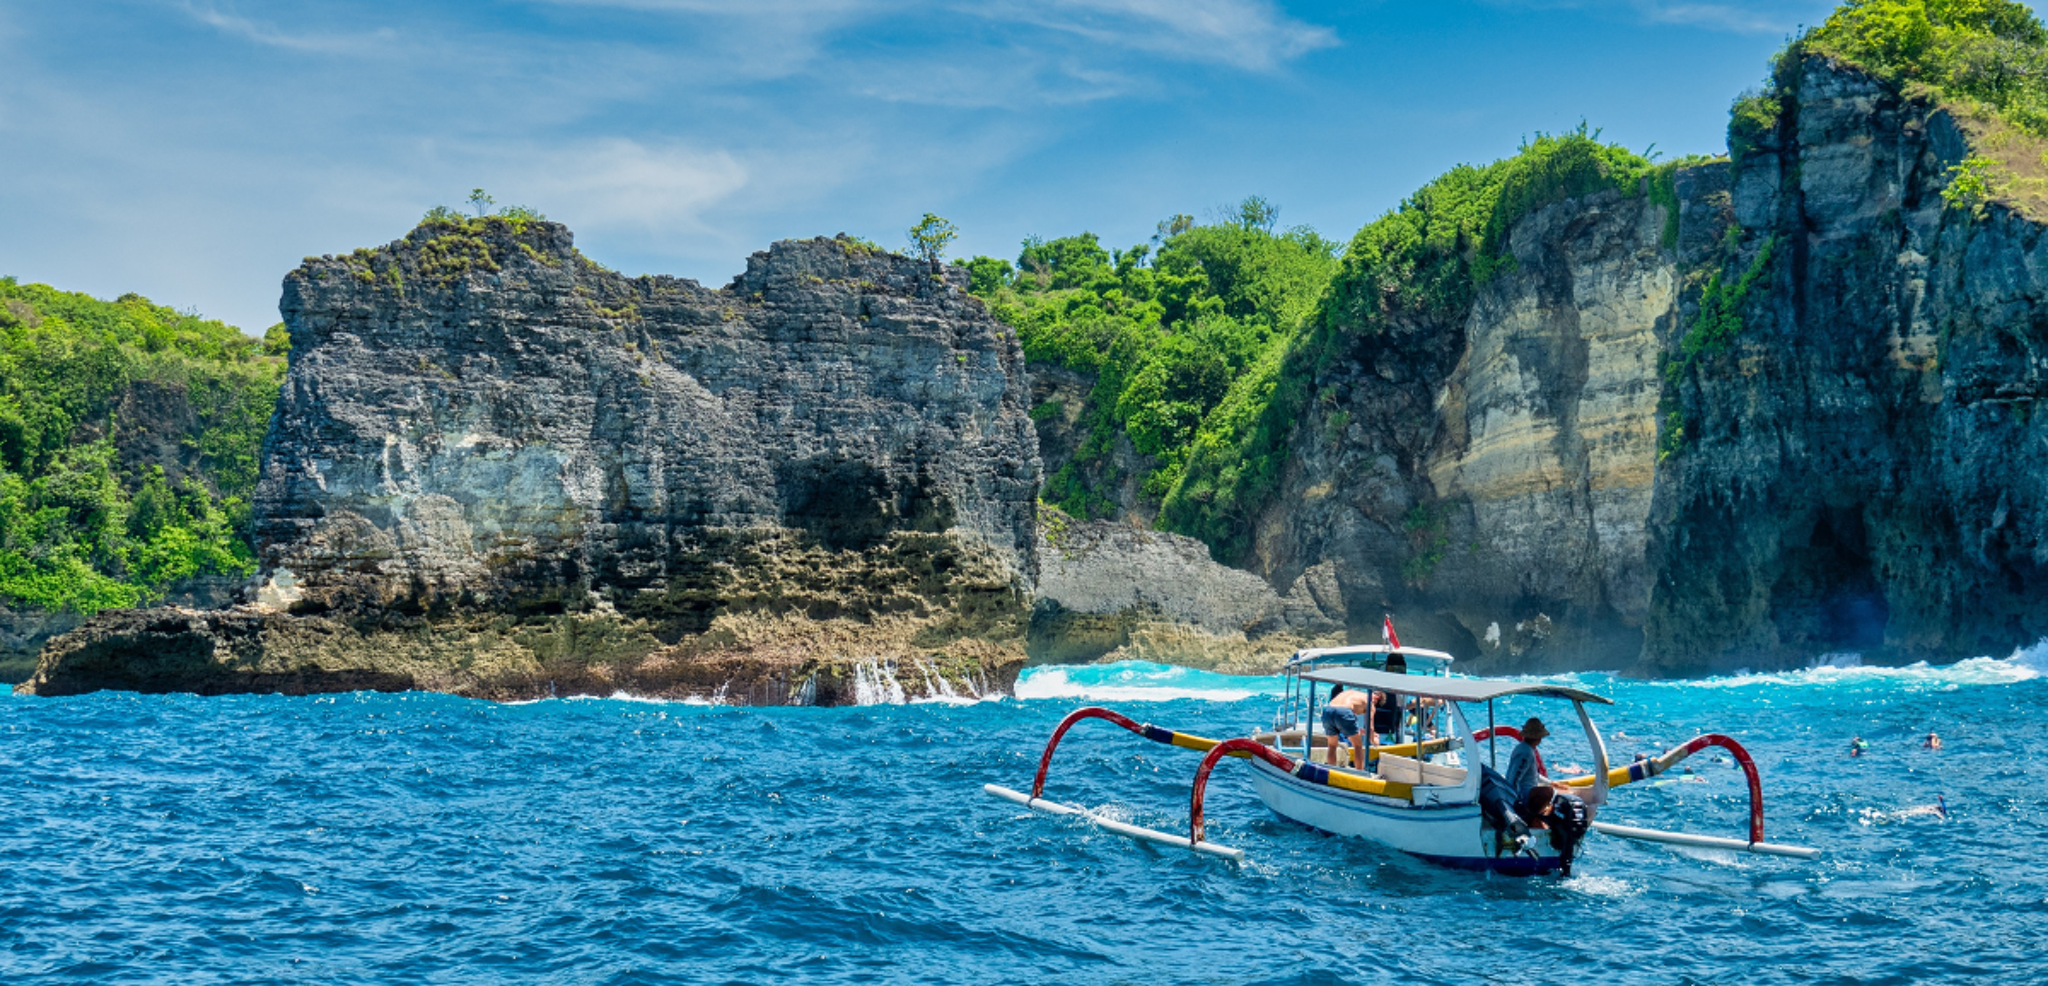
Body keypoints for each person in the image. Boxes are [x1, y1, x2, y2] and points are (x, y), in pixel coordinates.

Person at [1321, 685, 1375, 770]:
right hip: (1344, 711)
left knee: (1332, 745)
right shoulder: (1370, 702)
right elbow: (1370, 728)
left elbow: (1341, 721)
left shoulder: (1351, 693)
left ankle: (1330, 770)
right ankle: (1359, 773)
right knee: (1358, 746)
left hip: (1328, 710)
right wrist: (1374, 741)